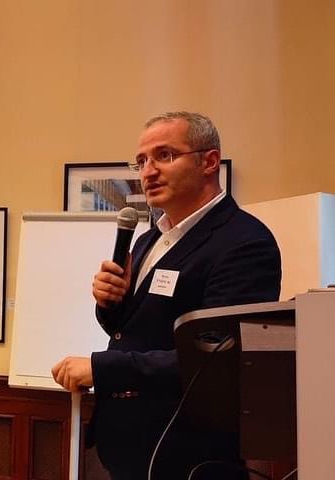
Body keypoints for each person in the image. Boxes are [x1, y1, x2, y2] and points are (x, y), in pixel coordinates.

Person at [51, 112, 281, 479]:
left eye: (165, 155)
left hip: (188, 453)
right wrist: (111, 303)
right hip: (128, 445)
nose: (148, 171)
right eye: (141, 161)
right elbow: (134, 329)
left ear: (209, 161)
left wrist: (101, 368)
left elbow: (215, 358)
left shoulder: (244, 242)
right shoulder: (149, 239)